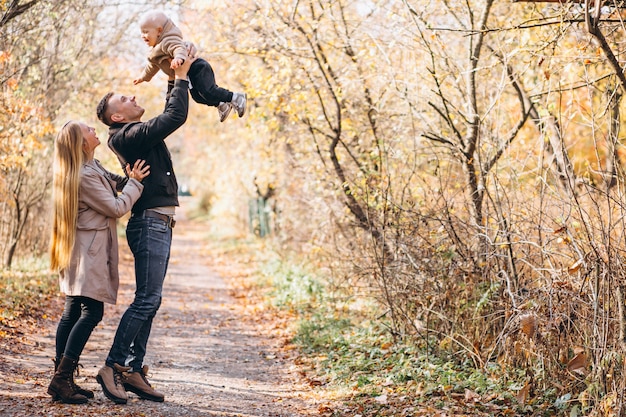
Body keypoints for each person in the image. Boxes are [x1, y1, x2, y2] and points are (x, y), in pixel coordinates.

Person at [94, 47, 195, 405]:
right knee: (147, 299)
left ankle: (134, 370)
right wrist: (180, 78)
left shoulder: (135, 133)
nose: (133, 95)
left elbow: (169, 113)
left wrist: (172, 75)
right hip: (150, 223)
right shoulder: (126, 136)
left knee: (152, 300)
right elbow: (174, 116)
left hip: (159, 223)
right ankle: (113, 365)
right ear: (117, 116)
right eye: (125, 98)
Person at [48, 121, 149, 404]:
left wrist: (129, 177)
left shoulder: (92, 167)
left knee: (71, 313)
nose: (94, 130)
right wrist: (138, 183)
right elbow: (116, 207)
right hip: (87, 253)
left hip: (79, 250)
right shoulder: (83, 175)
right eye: (88, 130)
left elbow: (115, 182)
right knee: (91, 313)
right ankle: (61, 378)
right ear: (81, 144)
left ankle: (62, 379)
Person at [133, 10, 247, 123]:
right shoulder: (154, 51)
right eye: (141, 33)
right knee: (197, 97)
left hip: (197, 68)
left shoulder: (168, 40)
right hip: (189, 75)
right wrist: (143, 77)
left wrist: (178, 58)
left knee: (208, 91)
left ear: (159, 31)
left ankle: (236, 97)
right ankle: (222, 105)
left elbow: (179, 48)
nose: (143, 36)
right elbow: (152, 66)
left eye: (145, 32)